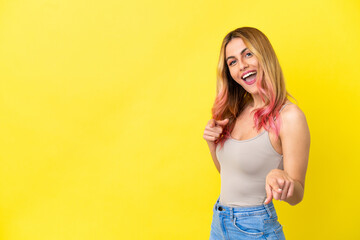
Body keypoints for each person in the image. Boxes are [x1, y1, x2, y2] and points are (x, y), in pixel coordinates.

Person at [203, 27, 310, 240]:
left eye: (248, 54)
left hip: (255, 229)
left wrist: (282, 179)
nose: (242, 66)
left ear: (264, 55)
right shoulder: (235, 111)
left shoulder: (289, 116)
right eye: (232, 62)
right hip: (219, 223)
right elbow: (228, 173)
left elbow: (297, 195)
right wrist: (212, 143)